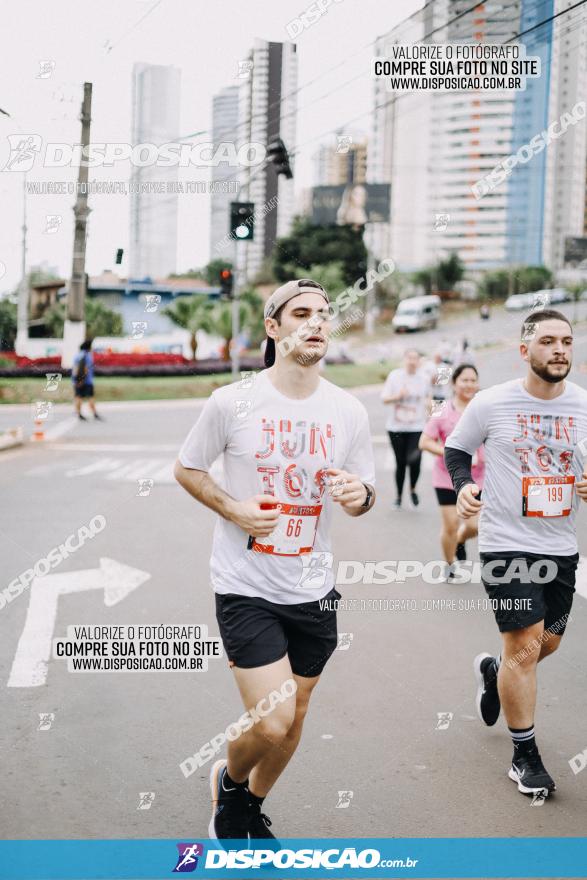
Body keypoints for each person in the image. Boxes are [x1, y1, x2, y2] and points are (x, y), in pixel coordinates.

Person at [175, 278, 376, 841]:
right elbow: (188, 468)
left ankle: (244, 806)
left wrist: (360, 497)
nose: (316, 322)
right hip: (246, 585)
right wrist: (235, 509)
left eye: (324, 314)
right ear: (273, 327)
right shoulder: (232, 402)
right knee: (273, 719)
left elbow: (365, 491)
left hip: (313, 587)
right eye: (301, 313)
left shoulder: (348, 410)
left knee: (297, 715)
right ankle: (232, 782)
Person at [444, 310, 587, 798]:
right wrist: (464, 487)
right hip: (506, 543)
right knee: (523, 645)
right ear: (524, 351)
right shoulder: (491, 402)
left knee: (544, 646)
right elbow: (457, 449)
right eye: (548, 341)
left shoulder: (583, 406)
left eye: (566, 341)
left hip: (561, 546)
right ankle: (524, 755)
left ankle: (492, 673)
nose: (560, 350)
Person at [419, 364, 485, 579]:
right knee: (450, 524)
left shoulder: (484, 408)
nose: (469, 384)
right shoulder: (441, 408)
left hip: (478, 479)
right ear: (454, 383)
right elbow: (425, 441)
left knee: (474, 526)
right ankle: (449, 562)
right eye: (464, 380)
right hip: (446, 477)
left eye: (473, 380)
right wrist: (449, 453)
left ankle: (460, 540)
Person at [381, 349, 430, 509]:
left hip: (417, 427)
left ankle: (413, 489)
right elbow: (384, 399)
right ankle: (399, 496)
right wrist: (398, 396)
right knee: (400, 462)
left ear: (419, 361)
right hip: (396, 427)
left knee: (415, 461)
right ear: (404, 359)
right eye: (409, 358)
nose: (412, 361)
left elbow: (430, 400)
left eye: (415, 358)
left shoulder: (424, 378)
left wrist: (433, 418)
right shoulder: (395, 376)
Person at [71, 340, 101, 420]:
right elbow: (86, 368)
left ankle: (79, 413)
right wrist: (82, 379)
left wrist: (77, 380)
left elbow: (74, 369)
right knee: (90, 397)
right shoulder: (87, 356)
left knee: (78, 397)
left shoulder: (77, 355)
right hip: (87, 381)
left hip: (77, 380)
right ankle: (95, 413)